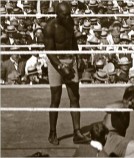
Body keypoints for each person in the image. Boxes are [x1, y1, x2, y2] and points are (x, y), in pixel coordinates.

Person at [44, 2, 90, 145]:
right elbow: (50, 51)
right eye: (65, 15)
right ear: (57, 15)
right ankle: (52, 132)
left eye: (69, 14)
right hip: (55, 62)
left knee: (75, 97)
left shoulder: (70, 22)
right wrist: (60, 66)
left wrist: (78, 56)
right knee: (55, 99)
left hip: (70, 60)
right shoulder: (50, 27)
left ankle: (77, 132)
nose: (68, 17)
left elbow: (73, 40)